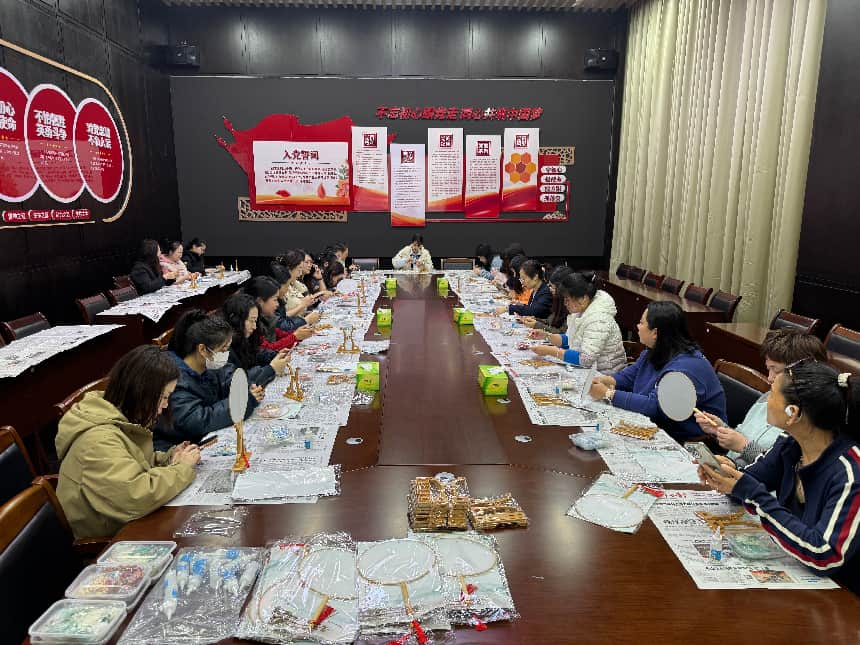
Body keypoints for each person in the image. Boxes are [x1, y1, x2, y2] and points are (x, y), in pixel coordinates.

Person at [698, 361, 860, 594]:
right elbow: (749, 483)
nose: (767, 398)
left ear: (793, 413)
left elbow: (825, 554)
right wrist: (726, 475)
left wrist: (752, 494)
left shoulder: (850, 473)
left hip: (842, 594)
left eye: (772, 394)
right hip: (800, 572)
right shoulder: (791, 444)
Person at [55, 345, 199, 539]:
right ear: (140, 393)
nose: (166, 406)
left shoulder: (118, 414)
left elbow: (134, 461)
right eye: (163, 397)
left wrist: (168, 457)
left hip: (124, 519)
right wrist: (181, 468)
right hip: (106, 536)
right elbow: (135, 496)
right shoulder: (98, 441)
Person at [588, 301, 726, 440]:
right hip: (658, 424)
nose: (637, 326)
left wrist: (608, 394)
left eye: (641, 323)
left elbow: (655, 406)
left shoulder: (686, 367)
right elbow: (630, 376)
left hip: (688, 438)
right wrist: (608, 380)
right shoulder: (656, 350)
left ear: (655, 332)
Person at [695, 328, 828, 467]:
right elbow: (742, 436)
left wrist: (744, 447)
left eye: (777, 371)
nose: (770, 378)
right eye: (768, 369)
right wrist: (719, 429)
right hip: (731, 468)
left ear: (802, 373)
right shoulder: (769, 396)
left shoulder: (810, 422)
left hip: (751, 478)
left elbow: (785, 470)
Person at [153, 310, 262, 450]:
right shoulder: (175, 381)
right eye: (223, 349)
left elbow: (228, 378)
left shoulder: (207, 365)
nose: (226, 354)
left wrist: (245, 388)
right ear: (203, 349)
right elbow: (200, 420)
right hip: (183, 446)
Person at [529, 272, 627, 373]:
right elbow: (571, 340)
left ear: (583, 298)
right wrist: (546, 336)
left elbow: (586, 359)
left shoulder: (599, 319)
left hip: (605, 375)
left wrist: (551, 351)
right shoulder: (581, 310)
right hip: (588, 370)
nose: (565, 303)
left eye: (567, 299)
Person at [221, 293, 290, 387]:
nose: (254, 327)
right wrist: (271, 369)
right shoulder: (222, 347)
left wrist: (274, 355)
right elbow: (236, 383)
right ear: (236, 320)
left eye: (255, 321)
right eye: (251, 321)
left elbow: (255, 353)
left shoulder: (243, 338)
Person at [244, 276, 312, 353]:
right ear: (260, 301)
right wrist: (295, 336)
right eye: (275, 299)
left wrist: (298, 334)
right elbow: (267, 349)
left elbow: (278, 333)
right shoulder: (252, 324)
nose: (277, 304)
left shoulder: (265, 318)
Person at [269, 262, 320, 332]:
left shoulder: (294, 284)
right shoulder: (276, 298)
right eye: (299, 268)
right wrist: (305, 319)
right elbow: (282, 325)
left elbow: (284, 318)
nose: (300, 272)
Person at [520, 265, 573, 333]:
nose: (549, 289)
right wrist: (535, 320)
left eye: (552, 287)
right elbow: (550, 321)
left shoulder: (570, 306)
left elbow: (562, 334)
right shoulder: (558, 301)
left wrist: (536, 325)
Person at [281, 250, 319, 317]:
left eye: (311, 262)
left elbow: (308, 299)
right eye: (299, 269)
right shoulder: (280, 287)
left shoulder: (295, 283)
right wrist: (303, 305)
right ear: (289, 269)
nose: (300, 273)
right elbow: (280, 319)